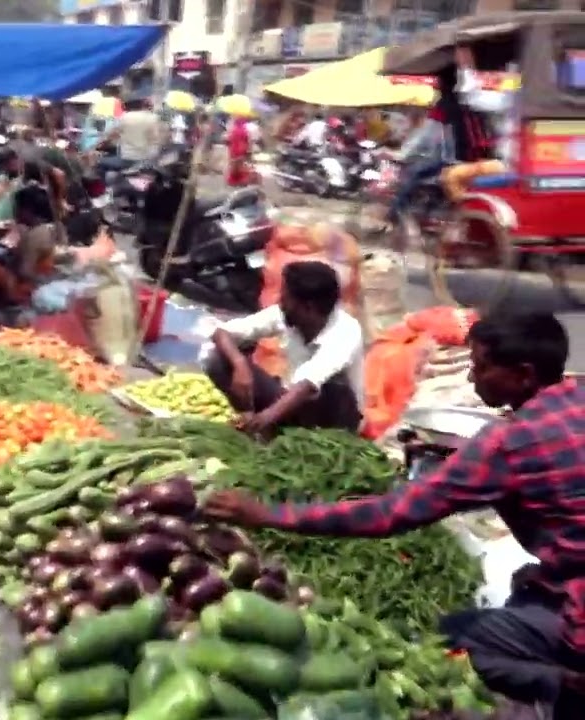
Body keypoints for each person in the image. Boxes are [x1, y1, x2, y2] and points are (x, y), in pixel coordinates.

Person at [202, 312, 585, 720]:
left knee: (451, 641)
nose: (473, 378)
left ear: (524, 375)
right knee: (526, 585)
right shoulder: (577, 399)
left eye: (482, 367)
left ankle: (567, 690)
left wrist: (267, 514)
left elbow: (394, 513)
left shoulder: (506, 444)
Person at [203, 261, 363, 434]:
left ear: (308, 308)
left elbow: (307, 385)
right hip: (290, 400)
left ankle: (281, 432)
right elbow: (221, 332)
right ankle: (257, 423)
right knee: (218, 361)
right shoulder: (285, 315)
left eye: (286, 298)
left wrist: (265, 418)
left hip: (331, 416)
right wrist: (240, 363)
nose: (281, 303)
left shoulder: (346, 332)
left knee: (333, 391)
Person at [440, 46, 511, 201]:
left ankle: (465, 214)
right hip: (502, 161)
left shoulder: (510, 100)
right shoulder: (511, 100)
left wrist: (465, 67)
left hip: (506, 165)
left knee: (451, 176)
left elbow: (472, 98)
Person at [385, 106, 447, 228]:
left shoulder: (425, 129)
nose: (407, 118)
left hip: (431, 163)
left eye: (409, 115)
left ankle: (395, 213)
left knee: (408, 180)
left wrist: (387, 153)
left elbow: (406, 153)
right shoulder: (429, 126)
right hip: (436, 162)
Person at [97, 98, 160, 170]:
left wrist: (101, 144)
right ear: (142, 104)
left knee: (101, 163)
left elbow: (111, 135)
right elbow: (157, 137)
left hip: (128, 157)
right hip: (149, 158)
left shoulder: (124, 117)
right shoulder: (153, 118)